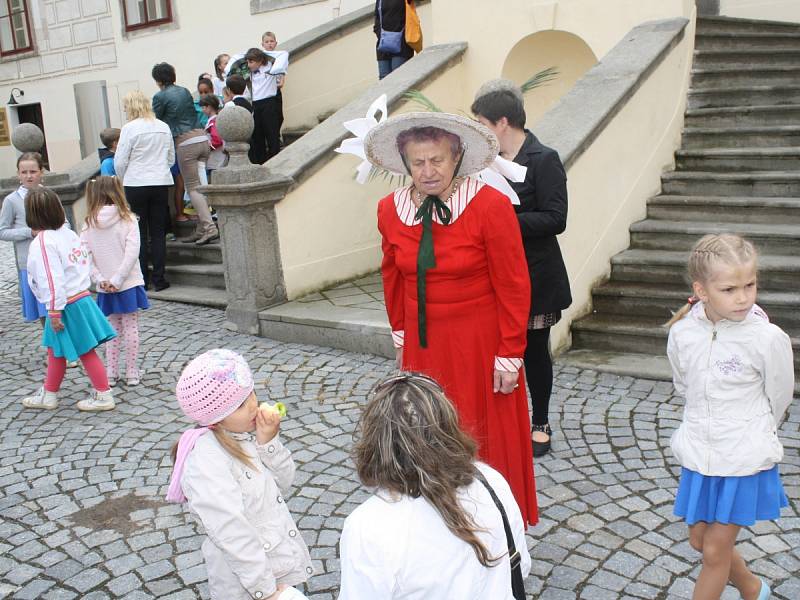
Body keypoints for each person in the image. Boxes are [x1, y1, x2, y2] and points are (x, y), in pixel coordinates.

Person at [365, 112, 538, 525]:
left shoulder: (489, 205)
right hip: (425, 346)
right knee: (425, 430)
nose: (428, 171)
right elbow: (392, 275)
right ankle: (440, 523)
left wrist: (510, 353)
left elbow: (514, 284)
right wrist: (401, 334)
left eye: (437, 160)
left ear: (456, 156)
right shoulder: (389, 209)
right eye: (418, 162)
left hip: (480, 342)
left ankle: (495, 525)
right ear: (406, 164)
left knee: (484, 435)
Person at [666, 233, 793, 600]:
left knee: (715, 551)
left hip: (742, 458)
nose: (743, 297)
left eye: (750, 285)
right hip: (700, 455)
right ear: (701, 290)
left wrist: (749, 429)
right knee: (699, 540)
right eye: (729, 289)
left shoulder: (766, 338)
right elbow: (683, 384)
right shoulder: (683, 333)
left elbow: (779, 395)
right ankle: (754, 589)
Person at [338, 373, 531, 599]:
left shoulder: (366, 527)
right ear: (448, 427)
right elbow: (520, 567)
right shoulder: (491, 480)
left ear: (376, 443)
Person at [471, 80, 572, 458]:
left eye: (480, 121)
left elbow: (556, 218)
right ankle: (503, 421)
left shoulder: (544, 158)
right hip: (493, 277)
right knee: (497, 350)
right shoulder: (483, 162)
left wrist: (503, 222)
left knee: (533, 351)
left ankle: (540, 422)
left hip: (537, 276)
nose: (477, 128)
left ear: (501, 122)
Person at [166, 349, 313, 600]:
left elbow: (285, 482)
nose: (254, 405)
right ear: (217, 417)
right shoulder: (206, 461)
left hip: (274, 564)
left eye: (252, 394)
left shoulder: (245, 436)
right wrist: (264, 589)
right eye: (242, 405)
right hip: (244, 582)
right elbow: (230, 531)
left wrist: (268, 443)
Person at [20, 188, 117, 411]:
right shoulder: (68, 234)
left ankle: (103, 394)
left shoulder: (44, 242)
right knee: (56, 351)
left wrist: (53, 310)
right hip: (78, 299)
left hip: (65, 305)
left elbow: (51, 278)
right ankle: (50, 393)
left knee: (84, 351)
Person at [81, 176, 149, 387]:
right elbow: (132, 253)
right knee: (130, 326)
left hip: (104, 286)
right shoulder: (128, 219)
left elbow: (85, 255)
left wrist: (100, 280)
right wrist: (118, 278)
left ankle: (111, 372)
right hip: (128, 283)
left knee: (112, 327)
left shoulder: (88, 224)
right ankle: (131, 371)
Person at [151, 62, 217, 245]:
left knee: (193, 187)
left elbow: (158, 121)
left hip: (185, 142)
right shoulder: (185, 91)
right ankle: (201, 229)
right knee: (201, 186)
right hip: (202, 138)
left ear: (158, 80)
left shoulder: (159, 96)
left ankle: (209, 228)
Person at [115, 90, 175, 292]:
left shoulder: (129, 129)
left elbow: (120, 161)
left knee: (138, 232)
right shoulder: (163, 127)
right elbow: (171, 158)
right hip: (160, 182)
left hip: (136, 183)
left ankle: (142, 277)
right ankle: (160, 278)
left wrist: (125, 178)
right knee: (158, 232)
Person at [0, 152, 47, 324]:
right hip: (28, 261)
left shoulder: (48, 195)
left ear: (41, 172)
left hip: (51, 258)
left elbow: (64, 222)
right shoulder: (11, 201)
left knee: (56, 307)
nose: (29, 176)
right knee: (42, 310)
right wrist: (29, 232)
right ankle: (51, 347)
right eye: (24, 172)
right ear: (18, 174)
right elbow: (2, 231)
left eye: (33, 171)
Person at [245, 47, 286, 163]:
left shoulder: (271, 67)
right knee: (257, 135)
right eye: (248, 61)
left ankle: (276, 160)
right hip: (256, 104)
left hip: (269, 103)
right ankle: (261, 162)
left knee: (272, 133)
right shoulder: (249, 72)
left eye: (251, 61)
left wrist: (264, 53)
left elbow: (283, 53)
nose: (248, 65)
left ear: (259, 60)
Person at [373, 0, 414, 79]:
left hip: (401, 46)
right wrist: (382, 36)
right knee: (384, 82)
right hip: (383, 46)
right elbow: (376, 21)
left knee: (398, 78)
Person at [199, 94, 227, 176]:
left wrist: (206, 149)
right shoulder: (215, 120)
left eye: (203, 107)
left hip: (216, 158)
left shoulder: (214, 122)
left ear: (210, 107)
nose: (202, 110)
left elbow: (217, 140)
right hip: (217, 158)